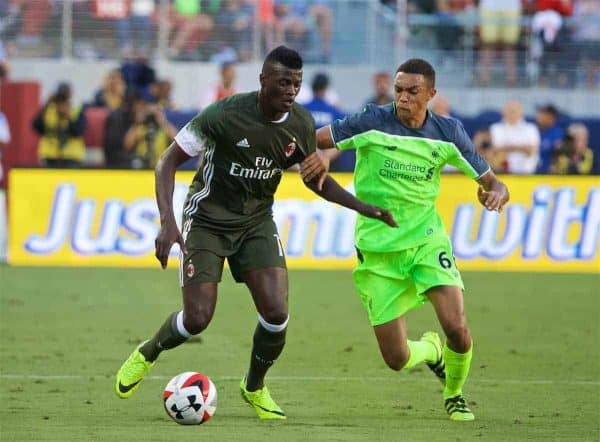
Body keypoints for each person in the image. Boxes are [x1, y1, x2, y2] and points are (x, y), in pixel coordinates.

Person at [114, 46, 396, 420]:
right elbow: (167, 162)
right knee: (197, 318)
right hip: (207, 222)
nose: (291, 90)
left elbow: (315, 181)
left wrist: (364, 207)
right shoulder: (224, 115)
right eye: (283, 82)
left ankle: (254, 387)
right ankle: (148, 351)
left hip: (256, 223)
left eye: (296, 83)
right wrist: (168, 222)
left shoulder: (300, 124)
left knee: (277, 313)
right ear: (263, 81)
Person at [315, 58, 509, 421]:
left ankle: (454, 394)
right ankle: (432, 352)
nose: (402, 97)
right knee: (397, 359)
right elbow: (316, 140)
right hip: (377, 251)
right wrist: (318, 155)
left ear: (431, 94)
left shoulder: (448, 132)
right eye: (399, 89)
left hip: (426, 241)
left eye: (412, 91)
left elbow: (494, 181)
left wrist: (496, 193)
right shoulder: (372, 120)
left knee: (458, 328)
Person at [32, 84, 87, 168]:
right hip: (50, 156)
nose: (62, 103)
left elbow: (78, 131)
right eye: (60, 99)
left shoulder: (76, 111)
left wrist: (68, 117)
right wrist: (46, 104)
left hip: (71, 157)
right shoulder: (48, 110)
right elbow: (36, 127)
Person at [489, 100, 540, 174]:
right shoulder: (495, 128)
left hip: (527, 174)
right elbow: (495, 151)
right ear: (503, 112)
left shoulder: (531, 128)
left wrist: (506, 148)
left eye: (514, 110)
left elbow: (531, 151)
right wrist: (521, 148)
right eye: (509, 110)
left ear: (521, 112)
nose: (512, 113)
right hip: (501, 174)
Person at [535, 103, 564, 174]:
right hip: (530, 171)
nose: (538, 116)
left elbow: (559, 154)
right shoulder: (533, 130)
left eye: (542, 114)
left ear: (551, 117)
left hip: (547, 174)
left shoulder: (557, 133)